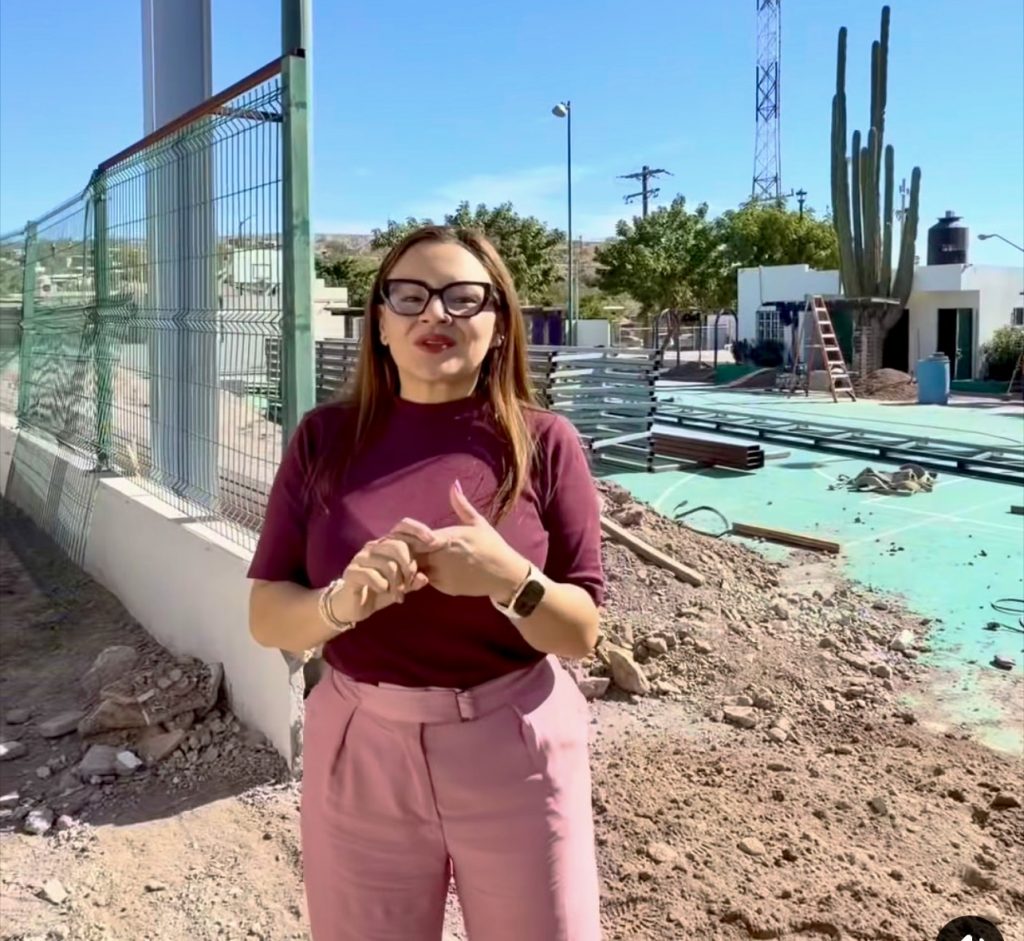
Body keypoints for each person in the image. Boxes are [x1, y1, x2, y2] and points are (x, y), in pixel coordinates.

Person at [247, 225, 604, 941]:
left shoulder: (545, 442)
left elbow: (581, 632)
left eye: (462, 297)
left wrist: (511, 580)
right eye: (408, 296)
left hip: (514, 744)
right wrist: (342, 602)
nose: (434, 313)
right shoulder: (324, 438)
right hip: (359, 747)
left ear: (499, 324)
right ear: (379, 322)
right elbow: (267, 617)